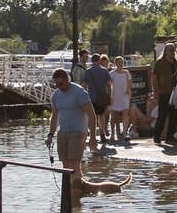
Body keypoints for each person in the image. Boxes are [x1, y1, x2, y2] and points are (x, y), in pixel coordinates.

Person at [44, 68, 131, 197]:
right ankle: (72, 192)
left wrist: (92, 137)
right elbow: (55, 116)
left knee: (74, 164)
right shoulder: (56, 95)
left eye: (61, 84)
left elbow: (91, 115)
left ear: (67, 79)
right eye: (56, 85)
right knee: (65, 164)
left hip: (78, 132)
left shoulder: (79, 92)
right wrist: (50, 135)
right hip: (63, 133)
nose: (59, 87)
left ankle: (76, 194)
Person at [152, 43, 177, 140]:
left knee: (174, 115)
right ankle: (156, 136)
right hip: (163, 92)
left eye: (173, 50)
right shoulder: (159, 63)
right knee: (162, 115)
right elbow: (154, 78)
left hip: (175, 92)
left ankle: (170, 136)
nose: (172, 52)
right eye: (170, 50)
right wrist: (156, 91)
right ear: (165, 51)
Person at [83, 53, 113, 141]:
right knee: (101, 116)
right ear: (99, 60)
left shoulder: (88, 71)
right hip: (102, 98)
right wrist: (109, 97)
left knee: (91, 116)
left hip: (91, 97)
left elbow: (84, 85)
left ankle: (93, 135)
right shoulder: (105, 71)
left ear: (92, 61)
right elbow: (109, 85)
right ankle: (102, 133)